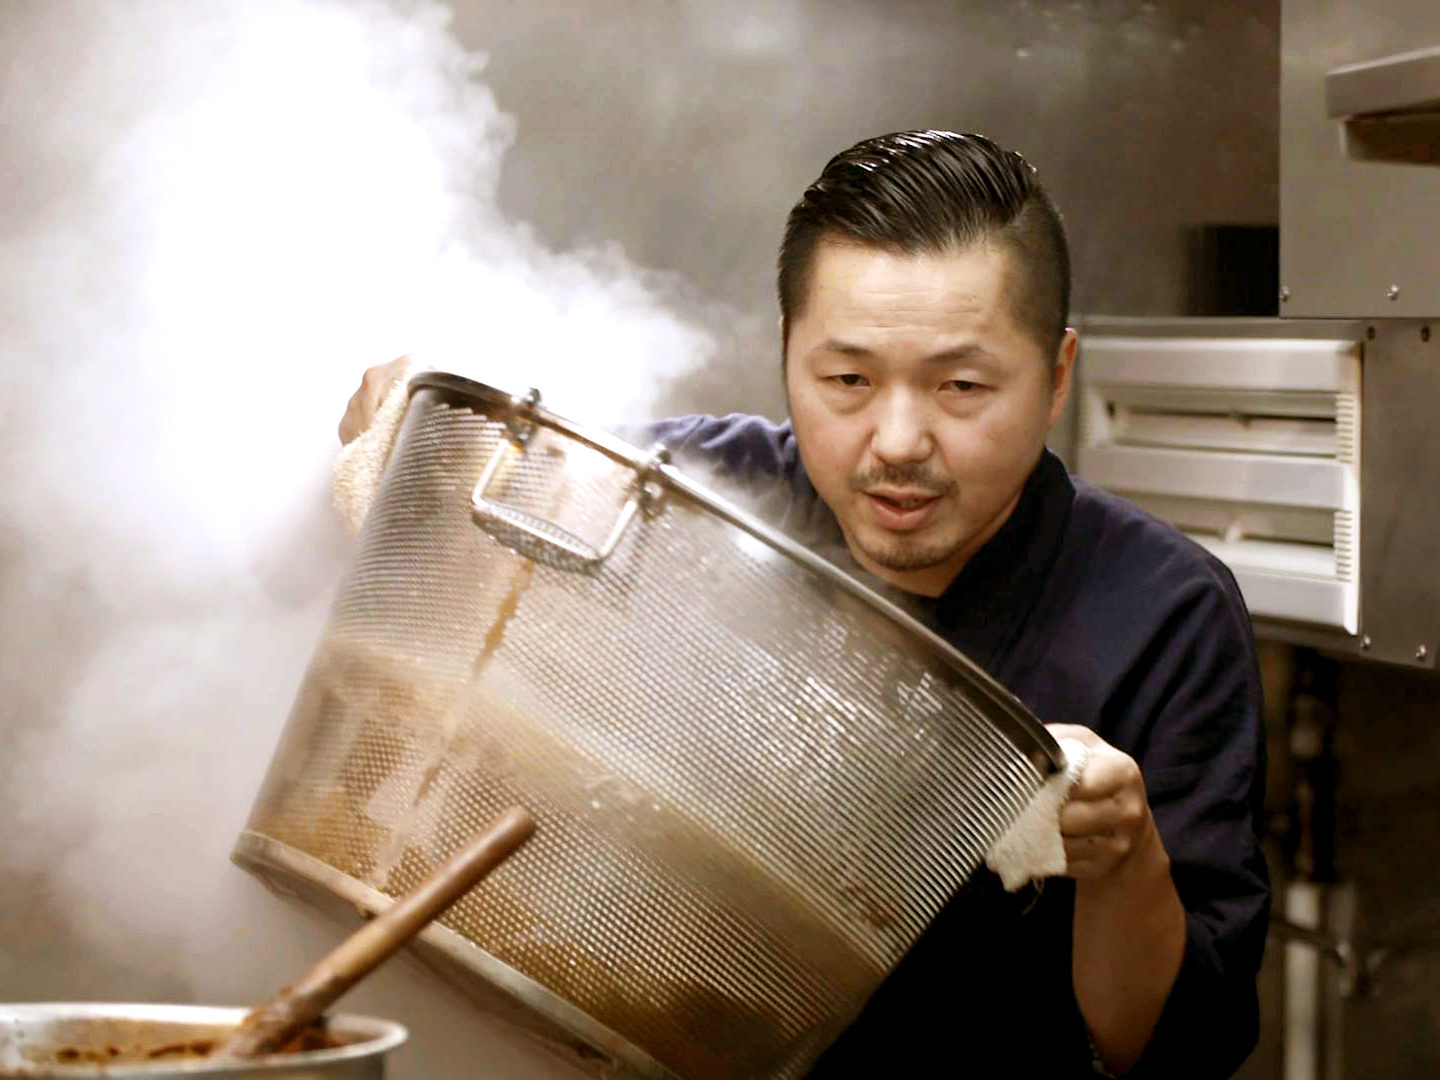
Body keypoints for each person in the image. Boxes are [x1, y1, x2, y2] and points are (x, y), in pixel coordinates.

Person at [339, 130, 1269, 1078]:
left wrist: (1123, 860)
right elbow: (462, 466)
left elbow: (1175, 1051)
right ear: (787, 353)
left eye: (961, 386)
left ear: (1058, 374)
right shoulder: (689, 500)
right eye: (848, 381)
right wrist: (406, 432)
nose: (899, 439)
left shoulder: (1162, 614)